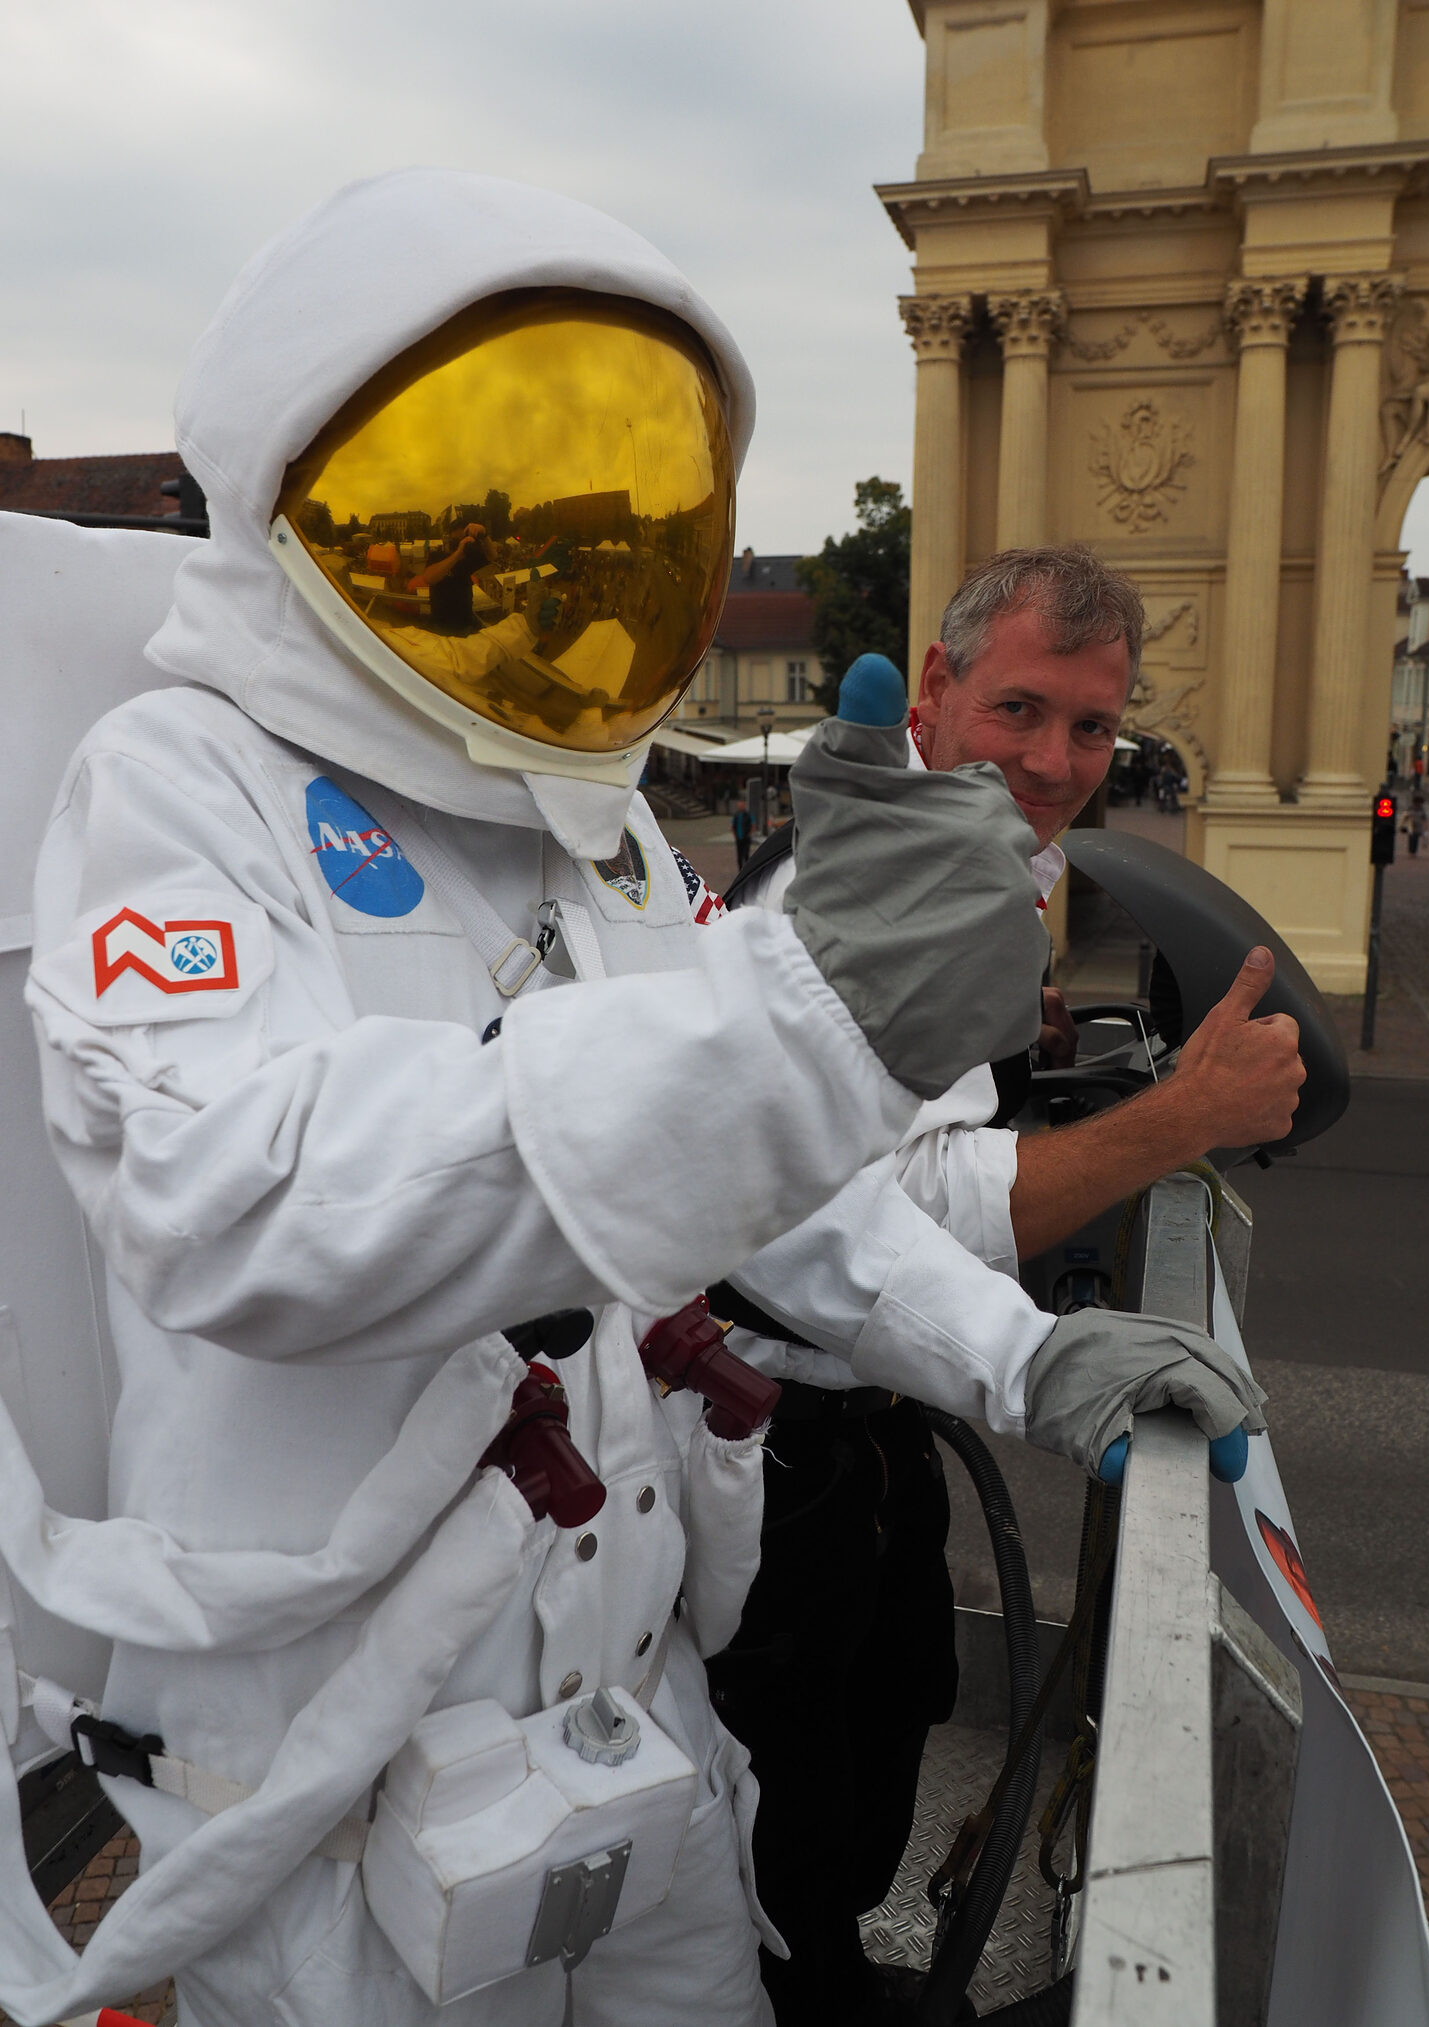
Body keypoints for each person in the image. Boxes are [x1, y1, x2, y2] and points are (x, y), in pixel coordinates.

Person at [5, 172, 1064, 2027]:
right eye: (472, 522)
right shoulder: (179, 788)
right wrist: (794, 1018)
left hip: (621, 1708)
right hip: (332, 1788)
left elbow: (765, 1184)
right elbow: (242, 1201)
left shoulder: (598, 835)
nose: (539, 593)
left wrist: (1022, 1355)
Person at [708, 549, 1296, 2027]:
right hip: (774, 1450)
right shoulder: (841, 886)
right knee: (784, 1805)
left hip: (867, 1434)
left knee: (890, 1707)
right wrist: (1179, 1119)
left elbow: (926, 1121)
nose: (1054, 759)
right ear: (934, 688)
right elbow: (881, 1203)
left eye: (1091, 728)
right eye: (1021, 708)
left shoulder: (967, 860)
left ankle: (830, 1968)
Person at [407, 517, 490, 633]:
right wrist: (457, 554)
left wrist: (484, 534)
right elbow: (429, 578)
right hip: (439, 624)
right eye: (456, 541)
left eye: (462, 541)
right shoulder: (437, 555)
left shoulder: (469, 557)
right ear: (448, 538)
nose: (458, 544)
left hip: (466, 623)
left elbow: (492, 556)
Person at [732, 798, 756, 870]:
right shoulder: (736, 815)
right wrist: (735, 835)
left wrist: (750, 833)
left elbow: (753, 824)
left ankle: (746, 869)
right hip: (739, 838)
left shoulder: (748, 815)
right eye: (739, 805)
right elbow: (732, 826)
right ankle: (740, 869)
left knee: (746, 854)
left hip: (746, 838)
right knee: (739, 855)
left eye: (742, 805)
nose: (740, 807)